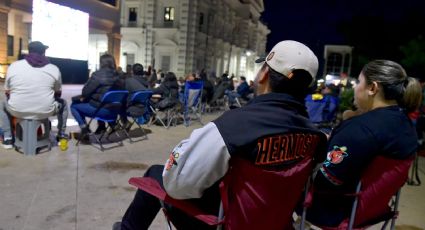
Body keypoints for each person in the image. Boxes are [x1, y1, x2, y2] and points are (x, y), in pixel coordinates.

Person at [114, 40, 328, 230]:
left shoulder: (236, 126)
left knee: (155, 174)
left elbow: (177, 184)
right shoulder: (315, 137)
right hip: (274, 222)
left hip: (225, 222)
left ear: (263, 74)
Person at [305, 60, 421, 227]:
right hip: (371, 209)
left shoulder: (359, 129)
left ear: (372, 88)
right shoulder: (406, 125)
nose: (354, 87)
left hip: (333, 211)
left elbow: (325, 180)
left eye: (359, 82)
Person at [0, 41, 68, 149]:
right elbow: (58, 93)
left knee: (2, 104)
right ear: (44, 52)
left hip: (17, 109)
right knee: (64, 104)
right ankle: (61, 135)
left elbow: (7, 91)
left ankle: (8, 138)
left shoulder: (14, 66)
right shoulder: (53, 68)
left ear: (29, 51)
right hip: (46, 110)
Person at [70, 54, 121, 137]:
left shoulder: (97, 75)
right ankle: (101, 127)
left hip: (102, 111)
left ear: (101, 63)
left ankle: (84, 129)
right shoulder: (119, 76)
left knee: (74, 106)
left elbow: (85, 92)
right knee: (98, 102)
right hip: (115, 112)